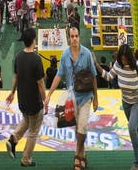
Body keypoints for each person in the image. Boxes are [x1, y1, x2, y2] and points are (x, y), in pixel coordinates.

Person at [44, 26, 98, 170]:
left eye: (76, 36)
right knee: (77, 128)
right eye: (72, 36)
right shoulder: (64, 55)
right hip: (71, 98)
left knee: (83, 125)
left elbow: (93, 76)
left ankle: (77, 156)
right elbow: (58, 75)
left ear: (79, 37)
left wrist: (96, 98)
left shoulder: (86, 54)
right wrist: (49, 94)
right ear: (69, 38)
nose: (75, 39)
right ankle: (83, 155)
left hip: (86, 96)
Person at [94, 44, 138, 170]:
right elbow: (108, 76)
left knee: (131, 127)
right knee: (135, 130)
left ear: (129, 57)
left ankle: (137, 163)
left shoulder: (136, 65)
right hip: (126, 102)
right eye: (121, 58)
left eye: (125, 58)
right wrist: (96, 65)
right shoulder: (118, 65)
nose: (123, 61)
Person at [5, 26, 46, 167]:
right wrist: (45, 100)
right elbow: (40, 83)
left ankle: (13, 139)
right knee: (34, 131)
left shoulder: (18, 57)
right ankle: (26, 159)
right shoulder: (36, 59)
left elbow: (15, 77)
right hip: (34, 101)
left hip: (22, 99)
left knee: (27, 120)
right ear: (34, 40)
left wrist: (12, 92)